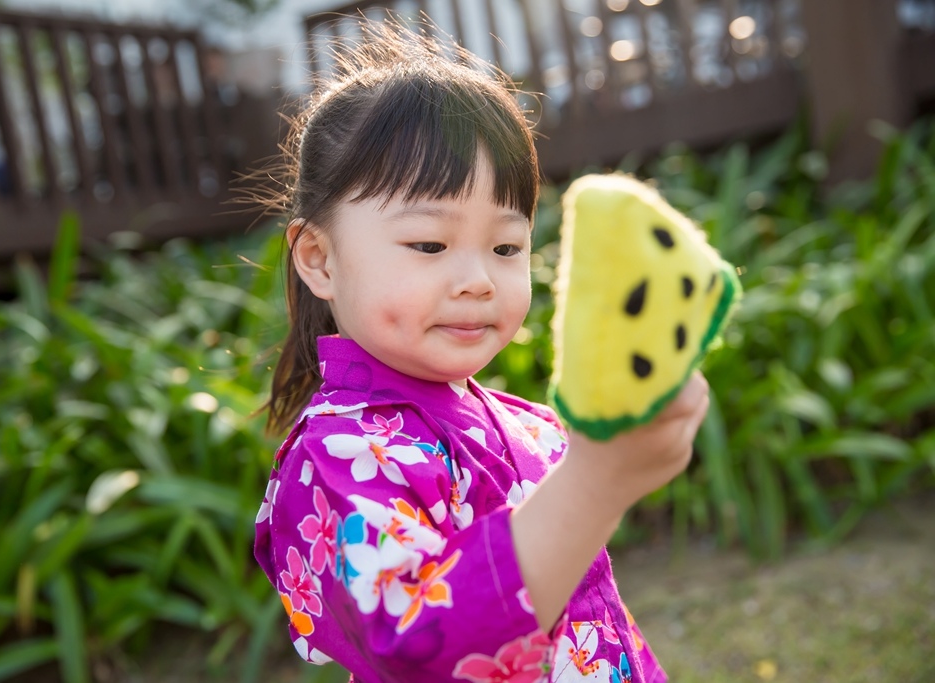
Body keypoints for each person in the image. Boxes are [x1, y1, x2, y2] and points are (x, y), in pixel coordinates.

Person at [252, 19, 709, 683]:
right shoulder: (332, 458)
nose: (478, 279)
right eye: (430, 245)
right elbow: (416, 643)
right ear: (319, 259)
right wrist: (593, 483)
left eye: (506, 247)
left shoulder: (529, 422)